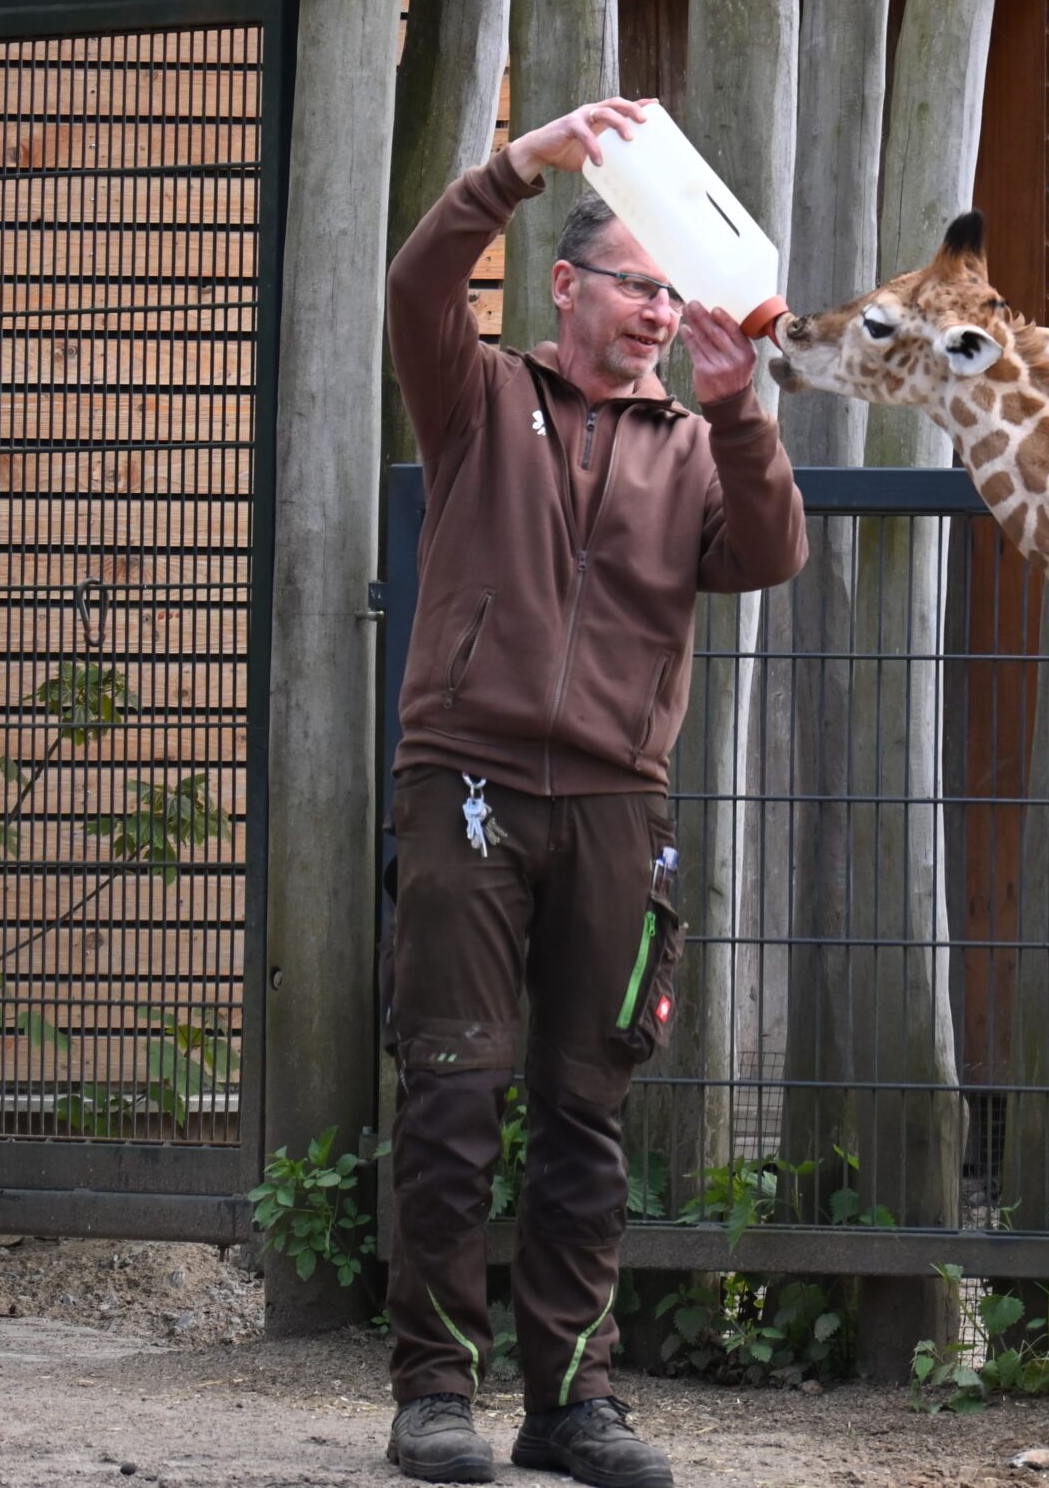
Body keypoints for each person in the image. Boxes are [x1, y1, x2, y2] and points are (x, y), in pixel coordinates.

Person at [379, 97, 807, 1486]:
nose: (660, 311)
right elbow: (417, 282)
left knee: (585, 1108)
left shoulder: (693, 445)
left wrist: (740, 414)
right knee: (452, 1091)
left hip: (621, 806)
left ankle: (570, 1404)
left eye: (674, 294)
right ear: (566, 286)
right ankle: (435, 1396)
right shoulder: (477, 396)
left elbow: (769, 555)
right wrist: (520, 163)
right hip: (467, 786)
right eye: (637, 285)